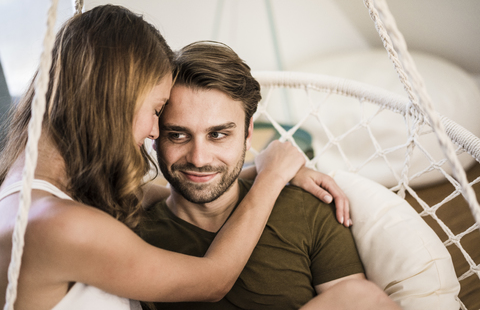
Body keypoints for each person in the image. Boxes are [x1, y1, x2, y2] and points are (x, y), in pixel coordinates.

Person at [0, 5, 346, 310]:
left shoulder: (33, 191)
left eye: (218, 134)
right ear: (115, 101)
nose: (153, 129)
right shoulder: (62, 226)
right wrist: (272, 176)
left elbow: (152, 193)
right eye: (156, 111)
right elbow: (212, 281)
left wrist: (254, 171)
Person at [140, 41, 401, 310]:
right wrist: (271, 174)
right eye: (178, 135)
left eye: (217, 135)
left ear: (248, 133)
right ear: (155, 134)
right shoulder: (134, 232)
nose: (199, 158)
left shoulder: (306, 209)